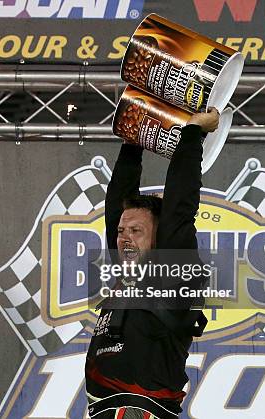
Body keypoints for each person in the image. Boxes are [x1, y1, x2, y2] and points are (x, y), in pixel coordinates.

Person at [85, 108, 220, 419]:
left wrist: (193, 134)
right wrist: (133, 142)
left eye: (136, 231)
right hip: (102, 411)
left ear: (160, 241)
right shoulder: (127, 272)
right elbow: (116, 202)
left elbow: (178, 209)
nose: (124, 238)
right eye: (121, 232)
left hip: (143, 412)